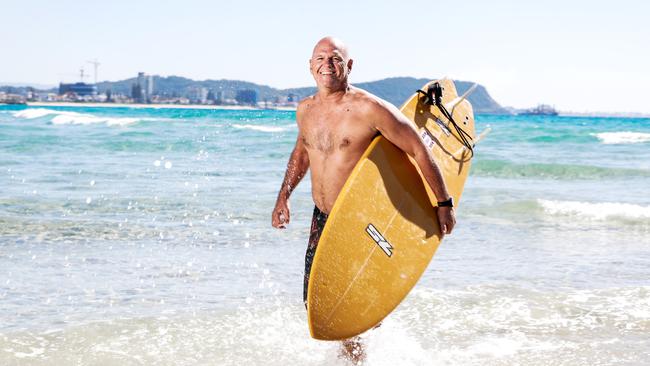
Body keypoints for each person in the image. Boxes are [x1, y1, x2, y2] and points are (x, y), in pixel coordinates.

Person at [271, 36, 456, 363]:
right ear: (310, 66)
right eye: (320, 58)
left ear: (349, 65)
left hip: (358, 220)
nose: (327, 64)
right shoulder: (306, 110)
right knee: (316, 302)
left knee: (346, 308)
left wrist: (443, 202)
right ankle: (363, 345)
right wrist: (283, 197)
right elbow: (302, 152)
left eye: (335, 58)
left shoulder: (369, 109)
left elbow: (416, 147)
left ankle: (356, 357)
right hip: (322, 217)